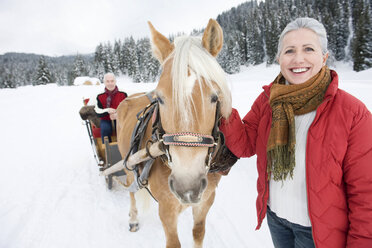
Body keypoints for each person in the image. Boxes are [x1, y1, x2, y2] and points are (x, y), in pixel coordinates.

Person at [219, 17, 372, 248]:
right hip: (276, 220)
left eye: (308, 49)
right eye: (289, 51)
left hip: (319, 234)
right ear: (279, 58)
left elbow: (365, 195)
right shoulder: (267, 101)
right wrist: (223, 109)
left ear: (324, 57)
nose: (298, 59)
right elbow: (245, 144)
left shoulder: (353, 113)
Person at [95, 72, 127, 143]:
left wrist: (117, 115)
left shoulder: (123, 94)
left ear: (115, 81)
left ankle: (124, 146)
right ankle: (108, 149)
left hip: (120, 117)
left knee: (122, 128)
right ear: (104, 82)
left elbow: (127, 108)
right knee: (105, 129)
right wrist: (107, 110)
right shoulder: (100, 96)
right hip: (105, 118)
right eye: (107, 81)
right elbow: (98, 112)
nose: (110, 83)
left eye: (112, 81)